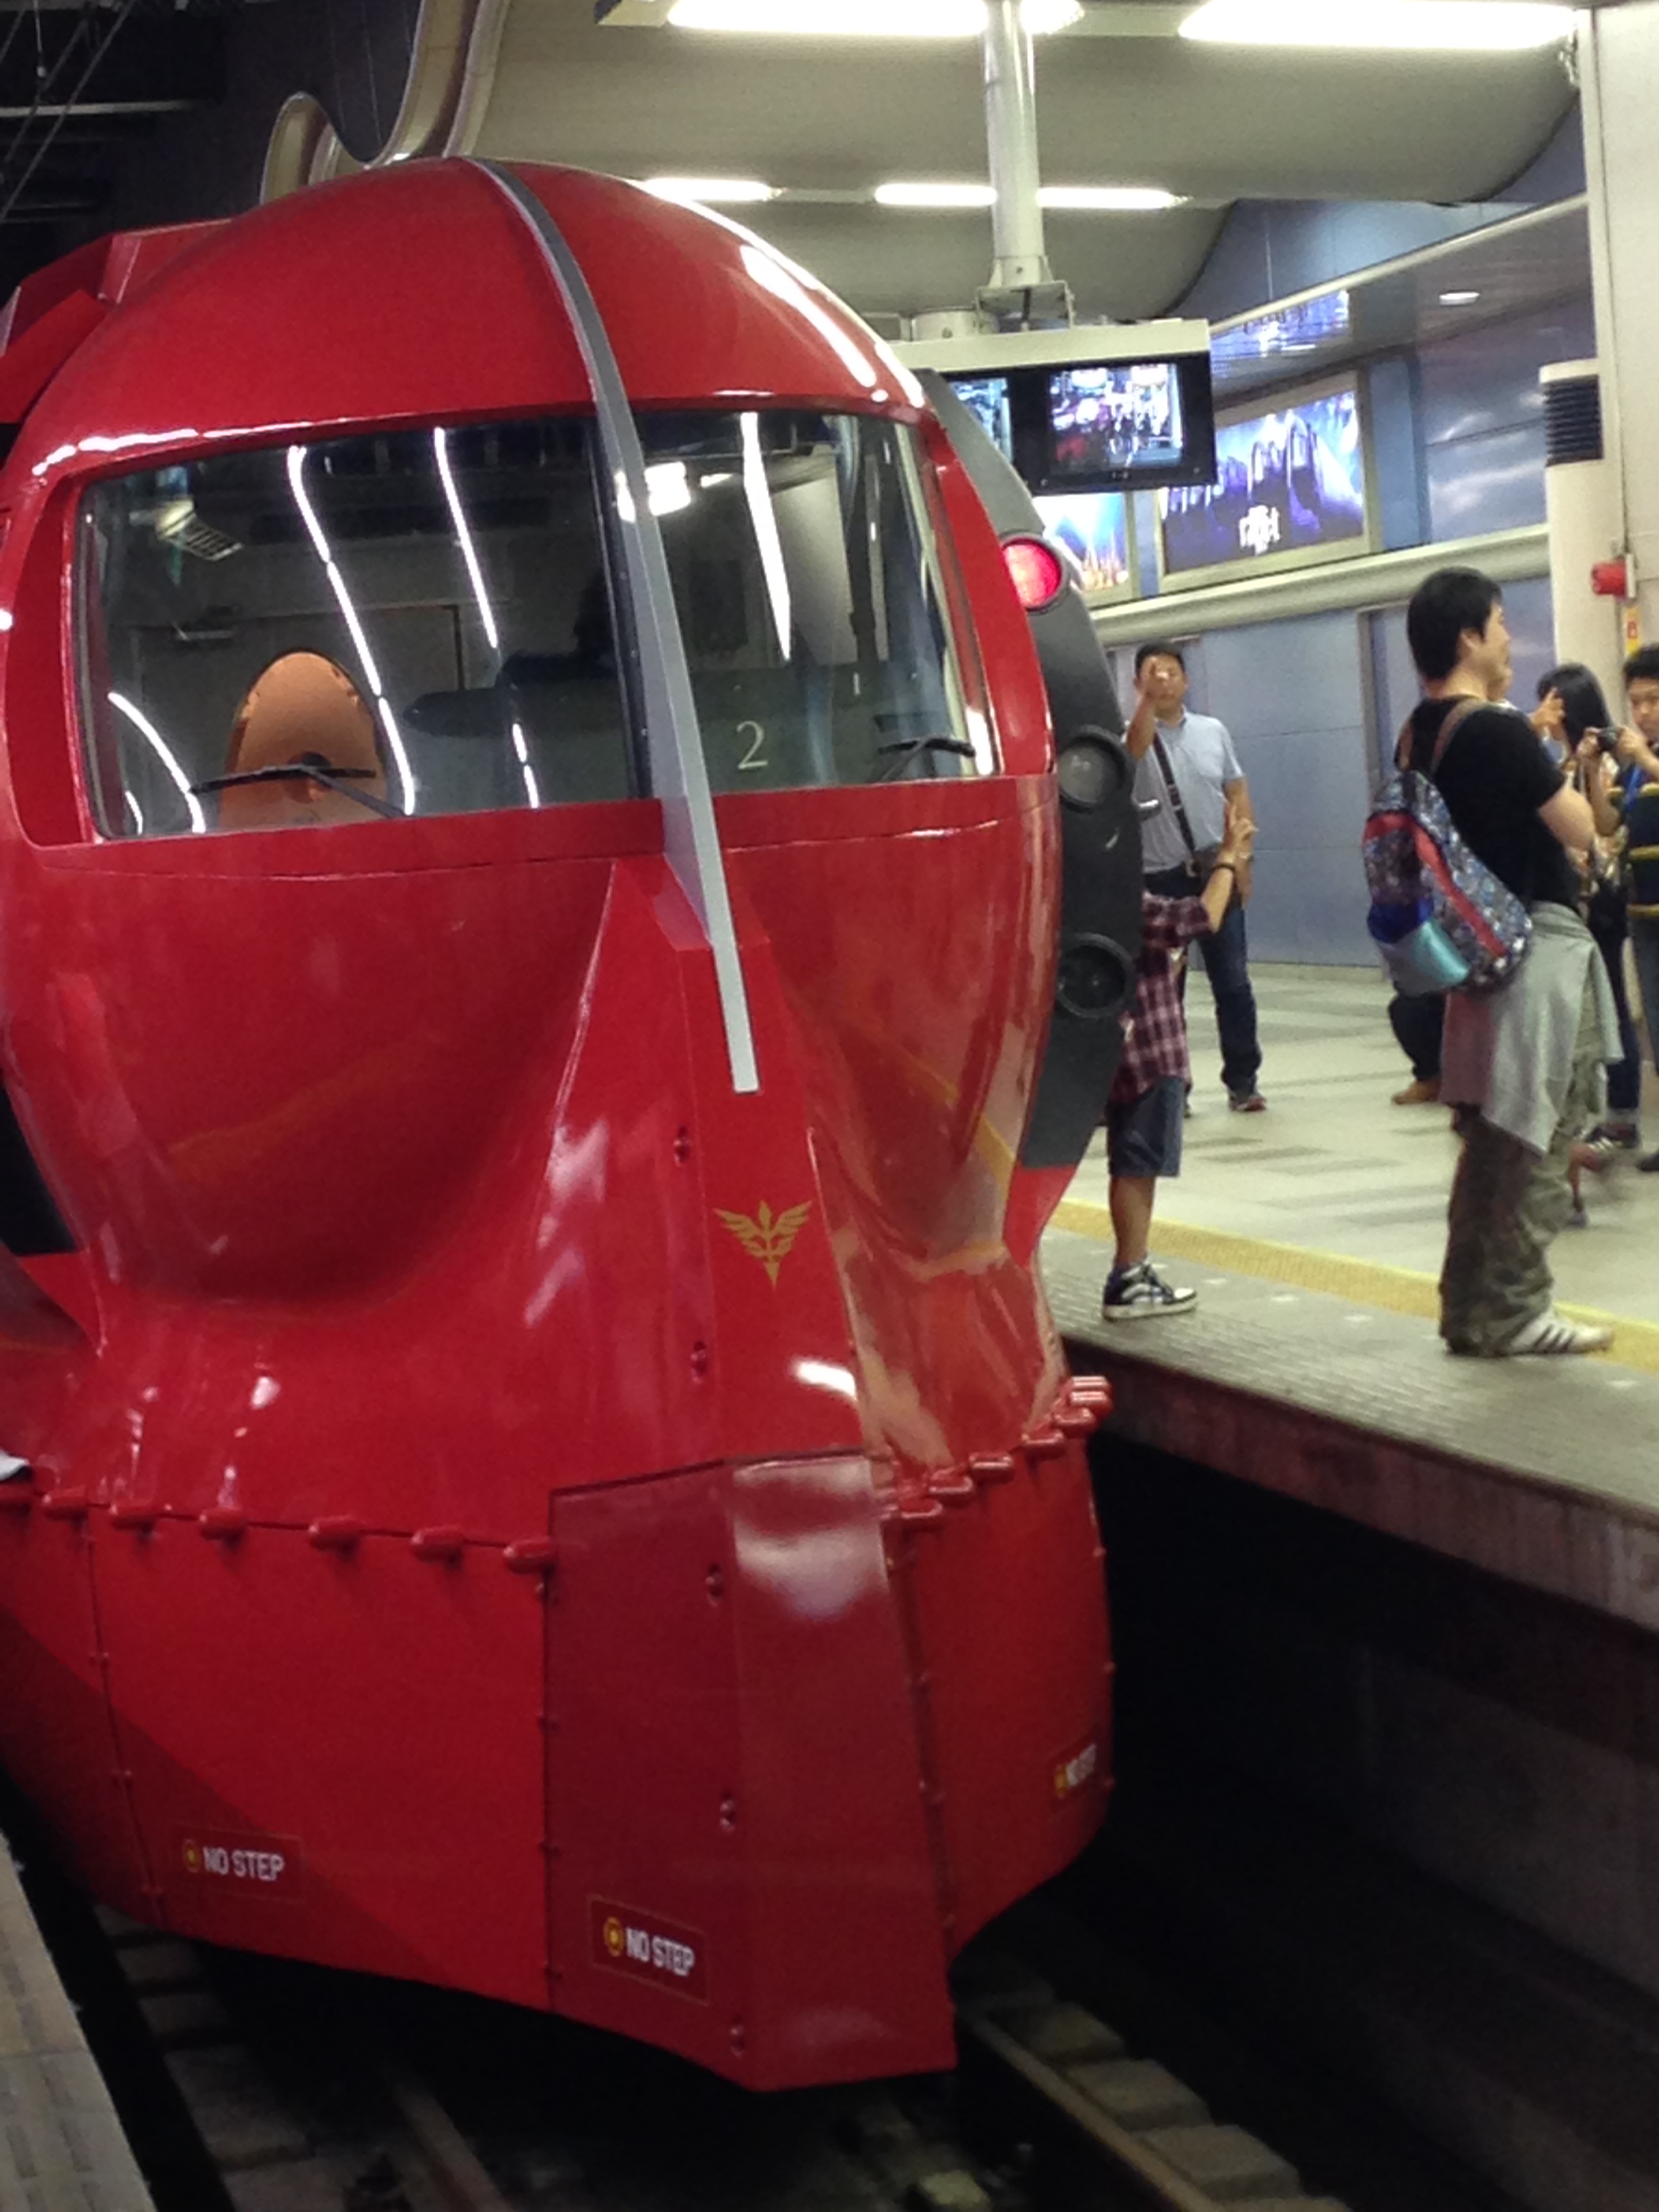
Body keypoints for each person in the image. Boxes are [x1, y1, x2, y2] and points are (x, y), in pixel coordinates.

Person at [1402, 569, 1615, 1358]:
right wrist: (1566, 768)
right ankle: (1521, 1307)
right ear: (1469, 638)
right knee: (1539, 1133)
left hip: (1472, 959)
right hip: (1534, 953)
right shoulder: (1497, 729)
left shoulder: (1421, 731)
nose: (1508, 639)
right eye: (1498, 624)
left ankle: (1469, 1310)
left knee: (1490, 1140)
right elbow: (1581, 828)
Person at [1103, 773, 1256, 1320]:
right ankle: (1130, 1274)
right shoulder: (1114, 894)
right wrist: (1227, 859)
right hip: (1149, 1049)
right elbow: (1201, 917)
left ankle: (1133, 1269)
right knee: (1138, 1162)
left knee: (1131, 1159)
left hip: (1121, 1047)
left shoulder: (1077, 887)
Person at [1125, 642, 1265, 1111]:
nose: (1164, 679)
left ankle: (1243, 1082)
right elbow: (1134, 750)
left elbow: (1237, 791)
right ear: (1137, 684)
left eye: (1171, 671)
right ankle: (1173, 1087)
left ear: (1187, 681)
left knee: (1234, 982)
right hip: (1161, 878)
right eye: (1153, 672)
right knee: (1168, 990)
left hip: (1215, 872)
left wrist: (1243, 860)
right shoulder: (1131, 736)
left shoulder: (1213, 731)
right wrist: (1146, 702)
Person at [1534, 663, 1642, 1156]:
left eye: (1554, 704)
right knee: (1588, 1010)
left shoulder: (1615, 760)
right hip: (1571, 900)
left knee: (1612, 1001)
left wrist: (1591, 768)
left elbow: (1605, 828)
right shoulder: (1563, 762)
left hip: (1602, 901)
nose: (1547, 714)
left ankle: (1622, 1111)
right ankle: (1596, 1110)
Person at [1607, 645, 1659, 1169]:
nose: (1643, 712)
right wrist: (1589, 769)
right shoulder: (1634, 768)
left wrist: (1645, 758)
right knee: (1658, 1024)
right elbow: (1606, 823)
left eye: (1654, 700)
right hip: (1643, 912)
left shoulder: (1647, 761)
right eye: (1636, 702)